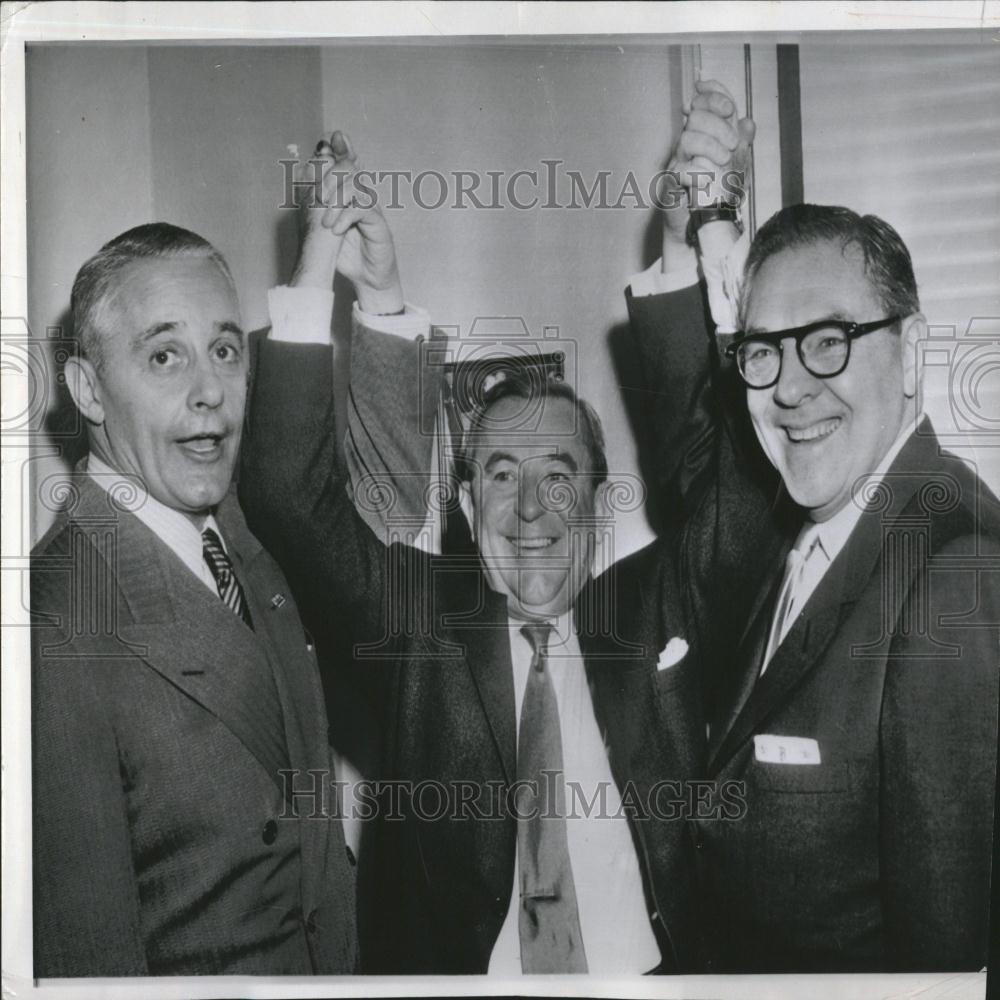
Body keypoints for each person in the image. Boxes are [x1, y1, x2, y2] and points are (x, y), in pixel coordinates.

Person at [239, 134, 705, 975]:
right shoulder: (421, 624)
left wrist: (689, 245)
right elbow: (287, 500)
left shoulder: (658, 607)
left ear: (600, 509)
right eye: (500, 476)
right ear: (464, 505)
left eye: (558, 476)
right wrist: (340, 283)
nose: (531, 509)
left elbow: (739, 500)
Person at [626, 81, 1000, 971]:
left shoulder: (952, 571)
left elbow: (944, 969)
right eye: (765, 351)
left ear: (911, 353)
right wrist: (707, 218)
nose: (790, 387)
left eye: (829, 340)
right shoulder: (821, 516)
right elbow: (698, 461)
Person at [30, 223, 358, 976]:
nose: (210, 390)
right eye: (165, 355)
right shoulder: (56, 623)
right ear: (88, 392)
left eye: (226, 349)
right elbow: (89, 962)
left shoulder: (243, 544)